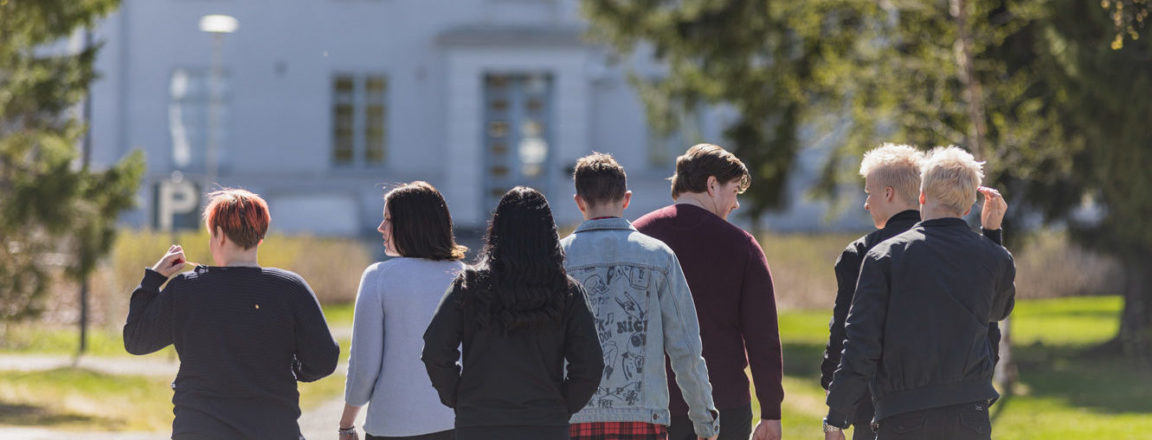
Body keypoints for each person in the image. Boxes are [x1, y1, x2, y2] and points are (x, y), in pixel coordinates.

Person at [823, 146, 1016, 440]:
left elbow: (861, 344)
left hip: (903, 415)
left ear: (922, 197)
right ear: (967, 208)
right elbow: (997, 313)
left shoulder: (883, 257)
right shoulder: (994, 256)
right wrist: (992, 235)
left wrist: (837, 416)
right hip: (970, 416)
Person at [123, 188, 340, 440]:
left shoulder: (186, 289)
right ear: (261, 237)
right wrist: (291, 369)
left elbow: (136, 341)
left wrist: (153, 279)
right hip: (274, 430)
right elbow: (324, 359)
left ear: (219, 234)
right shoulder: (290, 287)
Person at [422, 187, 604, 440]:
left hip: (479, 422)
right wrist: (563, 406)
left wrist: (459, 397)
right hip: (545, 424)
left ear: (497, 230)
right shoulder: (567, 291)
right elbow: (590, 366)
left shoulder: (469, 285)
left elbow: (435, 351)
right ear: (549, 235)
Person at [561, 153, 719, 440]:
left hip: (574, 418)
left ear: (579, 201)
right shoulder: (658, 256)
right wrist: (704, 419)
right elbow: (685, 348)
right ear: (627, 199)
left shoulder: (556, 259)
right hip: (644, 420)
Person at [633, 144, 784, 440]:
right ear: (712, 185)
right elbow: (762, 336)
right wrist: (771, 412)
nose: (736, 204)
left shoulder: (638, 237)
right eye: (735, 191)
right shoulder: (742, 246)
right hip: (723, 405)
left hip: (649, 405)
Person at [337, 182, 468, 440]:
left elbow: (364, 367)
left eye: (388, 219)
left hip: (393, 426)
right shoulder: (466, 277)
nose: (380, 227)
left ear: (411, 224)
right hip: (457, 423)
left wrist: (346, 424)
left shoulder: (378, 277)